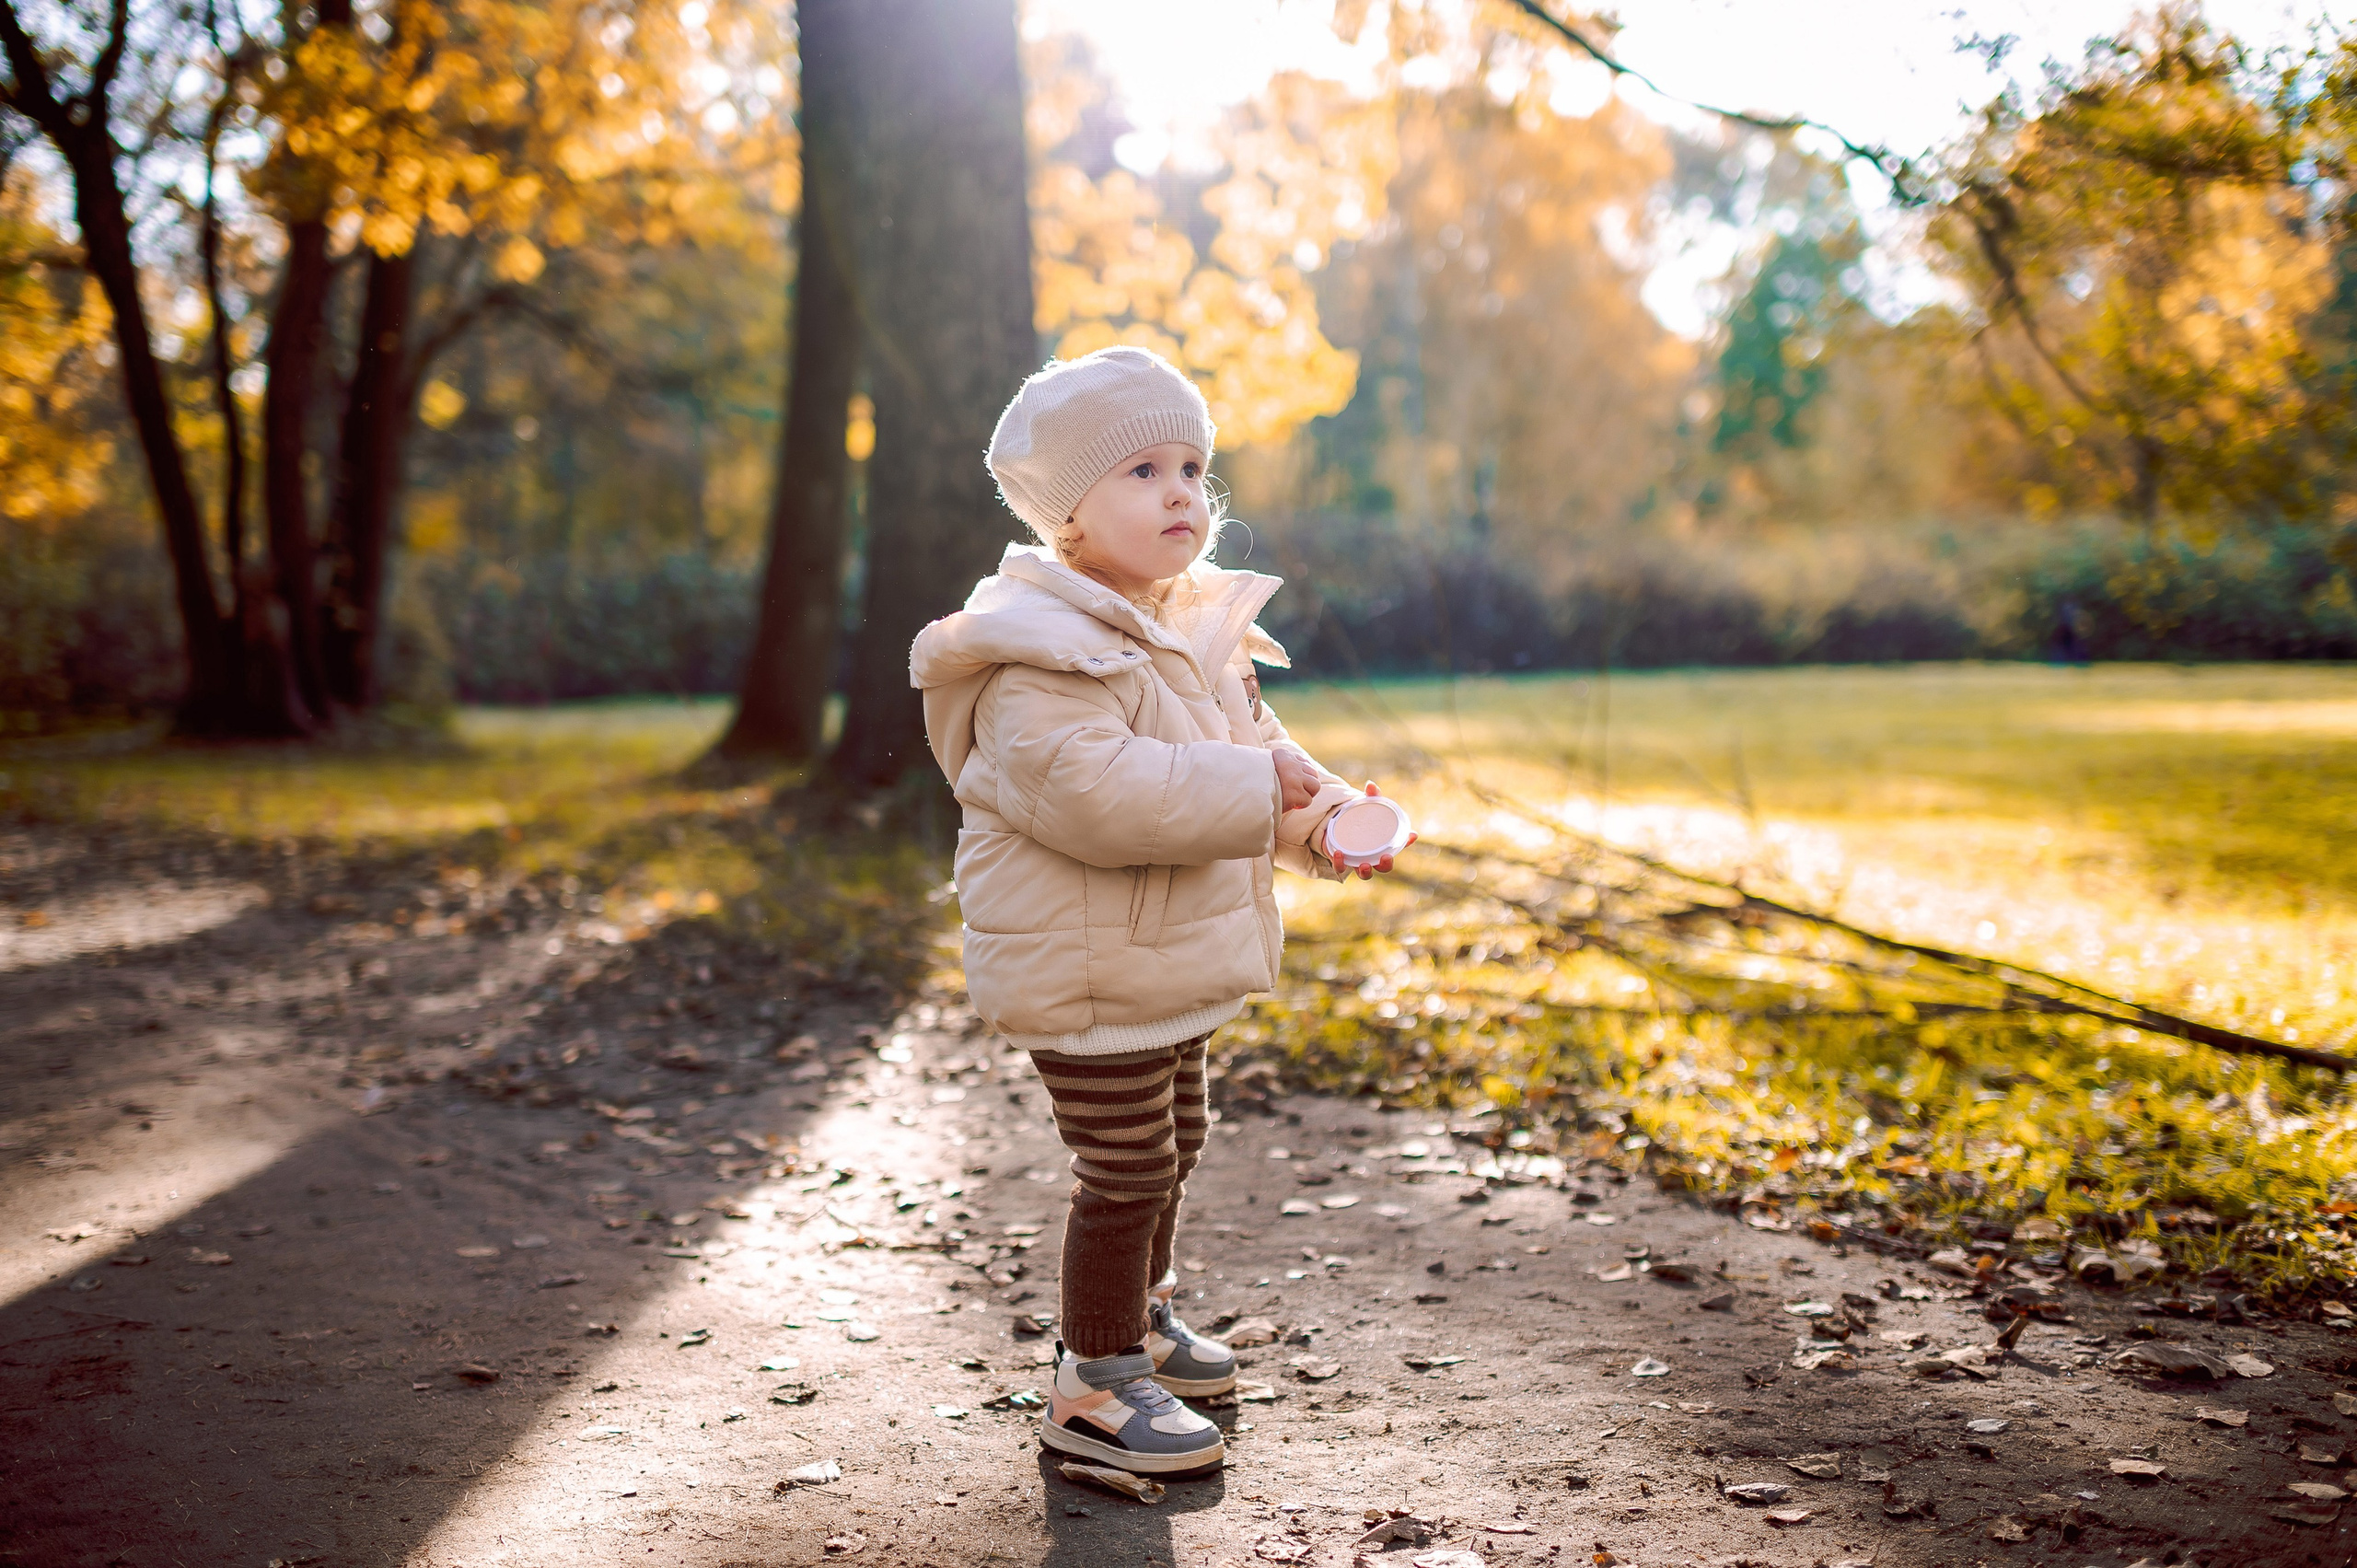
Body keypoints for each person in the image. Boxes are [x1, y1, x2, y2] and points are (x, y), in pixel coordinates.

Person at [909, 346, 1411, 1475]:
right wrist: (1257, 791)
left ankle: (1143, 1320)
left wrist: (1323, 815)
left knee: (1177, 1141)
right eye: (1142, 469)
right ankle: (1095, 1379)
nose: (1182, 490)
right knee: (1126, 1163)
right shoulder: (1037, 655)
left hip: (1156, 958)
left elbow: (1260, 754)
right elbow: (1100, 798)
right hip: (1083, 966)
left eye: (1192, 464)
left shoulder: (1189, 626)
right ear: (1069, 520)